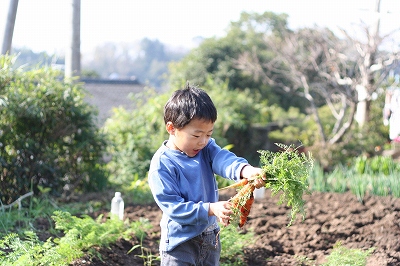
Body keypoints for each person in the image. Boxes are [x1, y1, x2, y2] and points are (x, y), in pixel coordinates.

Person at [148, 84, 266, 265]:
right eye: (196, 135)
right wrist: (211, 209)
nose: (203, 141)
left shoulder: (206, 148)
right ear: (172, 128)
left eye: (208, 134)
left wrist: (246, 170)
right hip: (180, 245)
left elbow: (223, 159)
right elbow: (174, 207)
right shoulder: (162, 164)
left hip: (210, 238)